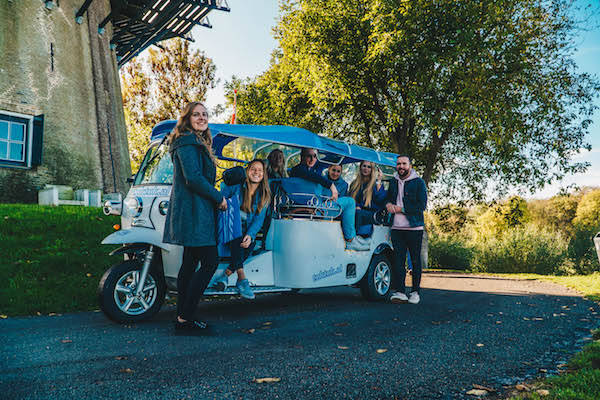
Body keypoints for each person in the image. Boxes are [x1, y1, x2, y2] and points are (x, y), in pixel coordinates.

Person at [163, 102, 227, 334]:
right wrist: (219, 197)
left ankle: (183, 320)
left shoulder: (195, 142)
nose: (201, 118)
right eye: (196, 114)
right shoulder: (187, 142)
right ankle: (186, 316)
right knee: (209, 261)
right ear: (187, 118)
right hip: (194, 211)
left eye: (205, 115)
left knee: (189, 265)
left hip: (195, 210)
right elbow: (193, 178)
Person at [211, 159, 271, 299]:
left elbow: (259, 220)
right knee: (237, 235)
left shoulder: (265, 195)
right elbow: (221, 197)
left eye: (260, 170)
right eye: (253, 169)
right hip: (229, 228)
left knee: (250, 243)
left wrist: (250, 235)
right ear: (247, 171)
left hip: (246, 230)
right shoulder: (236, 187)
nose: (256, 172)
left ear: (264, 174)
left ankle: (225, 276)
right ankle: (242, 278)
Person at [289, 148, 369, 251]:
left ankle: (352, 238)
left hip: (316, 207)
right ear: (302, 157)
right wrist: (331, 186)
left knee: (350, 204)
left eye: (314, 156)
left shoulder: (310, 171)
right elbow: (313, 177)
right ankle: (350, 240)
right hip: (314, 210)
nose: (312, 159)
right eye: (309, 156)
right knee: (350, 202)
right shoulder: (299, 170)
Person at [384, 155, 428, 305]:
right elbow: (388, 198)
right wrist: (388, 205)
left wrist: (401, 209)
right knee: (398, 261)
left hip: (414, 228)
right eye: (398, 164)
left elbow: (421, 205)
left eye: (404, 163)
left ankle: (415, 292)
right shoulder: (393, 181)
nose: (401, 166)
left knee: (415, 261)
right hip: (396, 228)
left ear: (410, 165)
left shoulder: (418, 182)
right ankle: (400, 292)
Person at [348, 161, 386, 230]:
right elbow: (350, 199)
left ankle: (352, 236)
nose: (366, 169)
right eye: (364, 166)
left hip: (372, 213)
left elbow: (380, 200)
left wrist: (379, 181)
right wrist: (356, 206)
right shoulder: (354, 184)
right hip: (356, 210)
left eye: (369, 167)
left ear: (372, 170)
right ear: (360, 167)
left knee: (358, 214)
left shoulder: (376, 184)